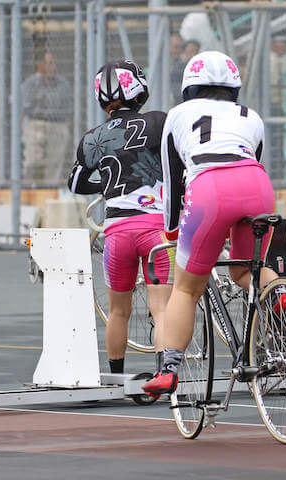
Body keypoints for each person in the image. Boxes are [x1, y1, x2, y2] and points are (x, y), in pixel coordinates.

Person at [142, 51, 286, 394]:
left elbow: (172, 181)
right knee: (245, 270)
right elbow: (254, 160)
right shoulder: (249, 115)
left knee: (185, 288)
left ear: (189, 88)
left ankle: (169, 368)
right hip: (257, 186)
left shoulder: (178, 115)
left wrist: (171, 231)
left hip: (209, 189)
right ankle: (279, 293)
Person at [68, 60, 173, 381]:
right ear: (138, 90)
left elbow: (74, 183)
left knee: (118, 311)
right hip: (156, 231)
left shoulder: (92, 137)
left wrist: (109, 185)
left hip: (116, 232)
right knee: (162, 309)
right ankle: (164, 373)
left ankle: (116, 376)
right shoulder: (158, 122)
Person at [22, 51, 73, 184]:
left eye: (53, 64)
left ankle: (49, 192)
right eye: (49, 64)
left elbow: (68, 108)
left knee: (53, 165)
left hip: (57, 125)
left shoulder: (62, 84)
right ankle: (28, 191)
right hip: (36, 124)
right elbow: (25, 106)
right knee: (32, 163)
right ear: (40, 66)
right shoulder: (31, 83)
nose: (53, 68)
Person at [269, 28, 286, 178]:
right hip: (273, 105)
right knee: (275, 144)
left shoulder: (273, 59)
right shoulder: (273, 61)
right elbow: (273, 85)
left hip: (273, 105)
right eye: (284, 43)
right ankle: (276, 175)